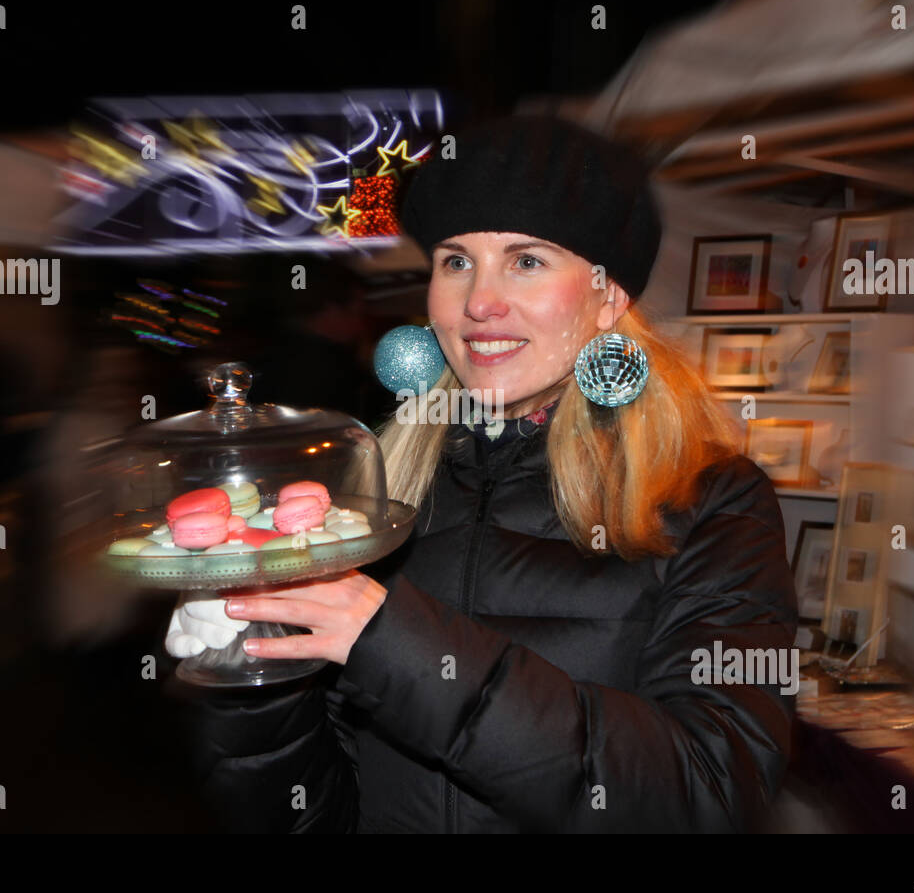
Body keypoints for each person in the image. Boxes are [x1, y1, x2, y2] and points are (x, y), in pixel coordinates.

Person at [168, 114, 799, 833]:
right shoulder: (379, 492)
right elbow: (316, 814)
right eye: (455, 261)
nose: (478, 303)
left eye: (527, 260)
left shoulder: (713, 500)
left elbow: (716, 791)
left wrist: (392, 644)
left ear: (609, 297)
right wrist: (257, 674)